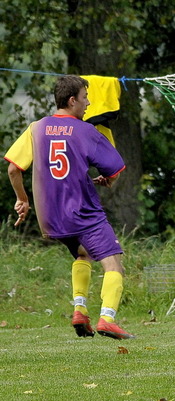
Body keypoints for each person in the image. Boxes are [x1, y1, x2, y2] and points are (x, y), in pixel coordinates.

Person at [4, 75, 135, 340]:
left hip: (52, 216)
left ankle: (80, 311)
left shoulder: (37, 128)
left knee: (83, 255)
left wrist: (23, 199)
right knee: (114, 265)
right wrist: (108, 180)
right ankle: (108, 319)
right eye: (85, 98)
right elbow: (116, 167)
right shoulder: (85, 130)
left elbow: (12, 168)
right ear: (72, 100)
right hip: (83, 212)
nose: (88, 104)